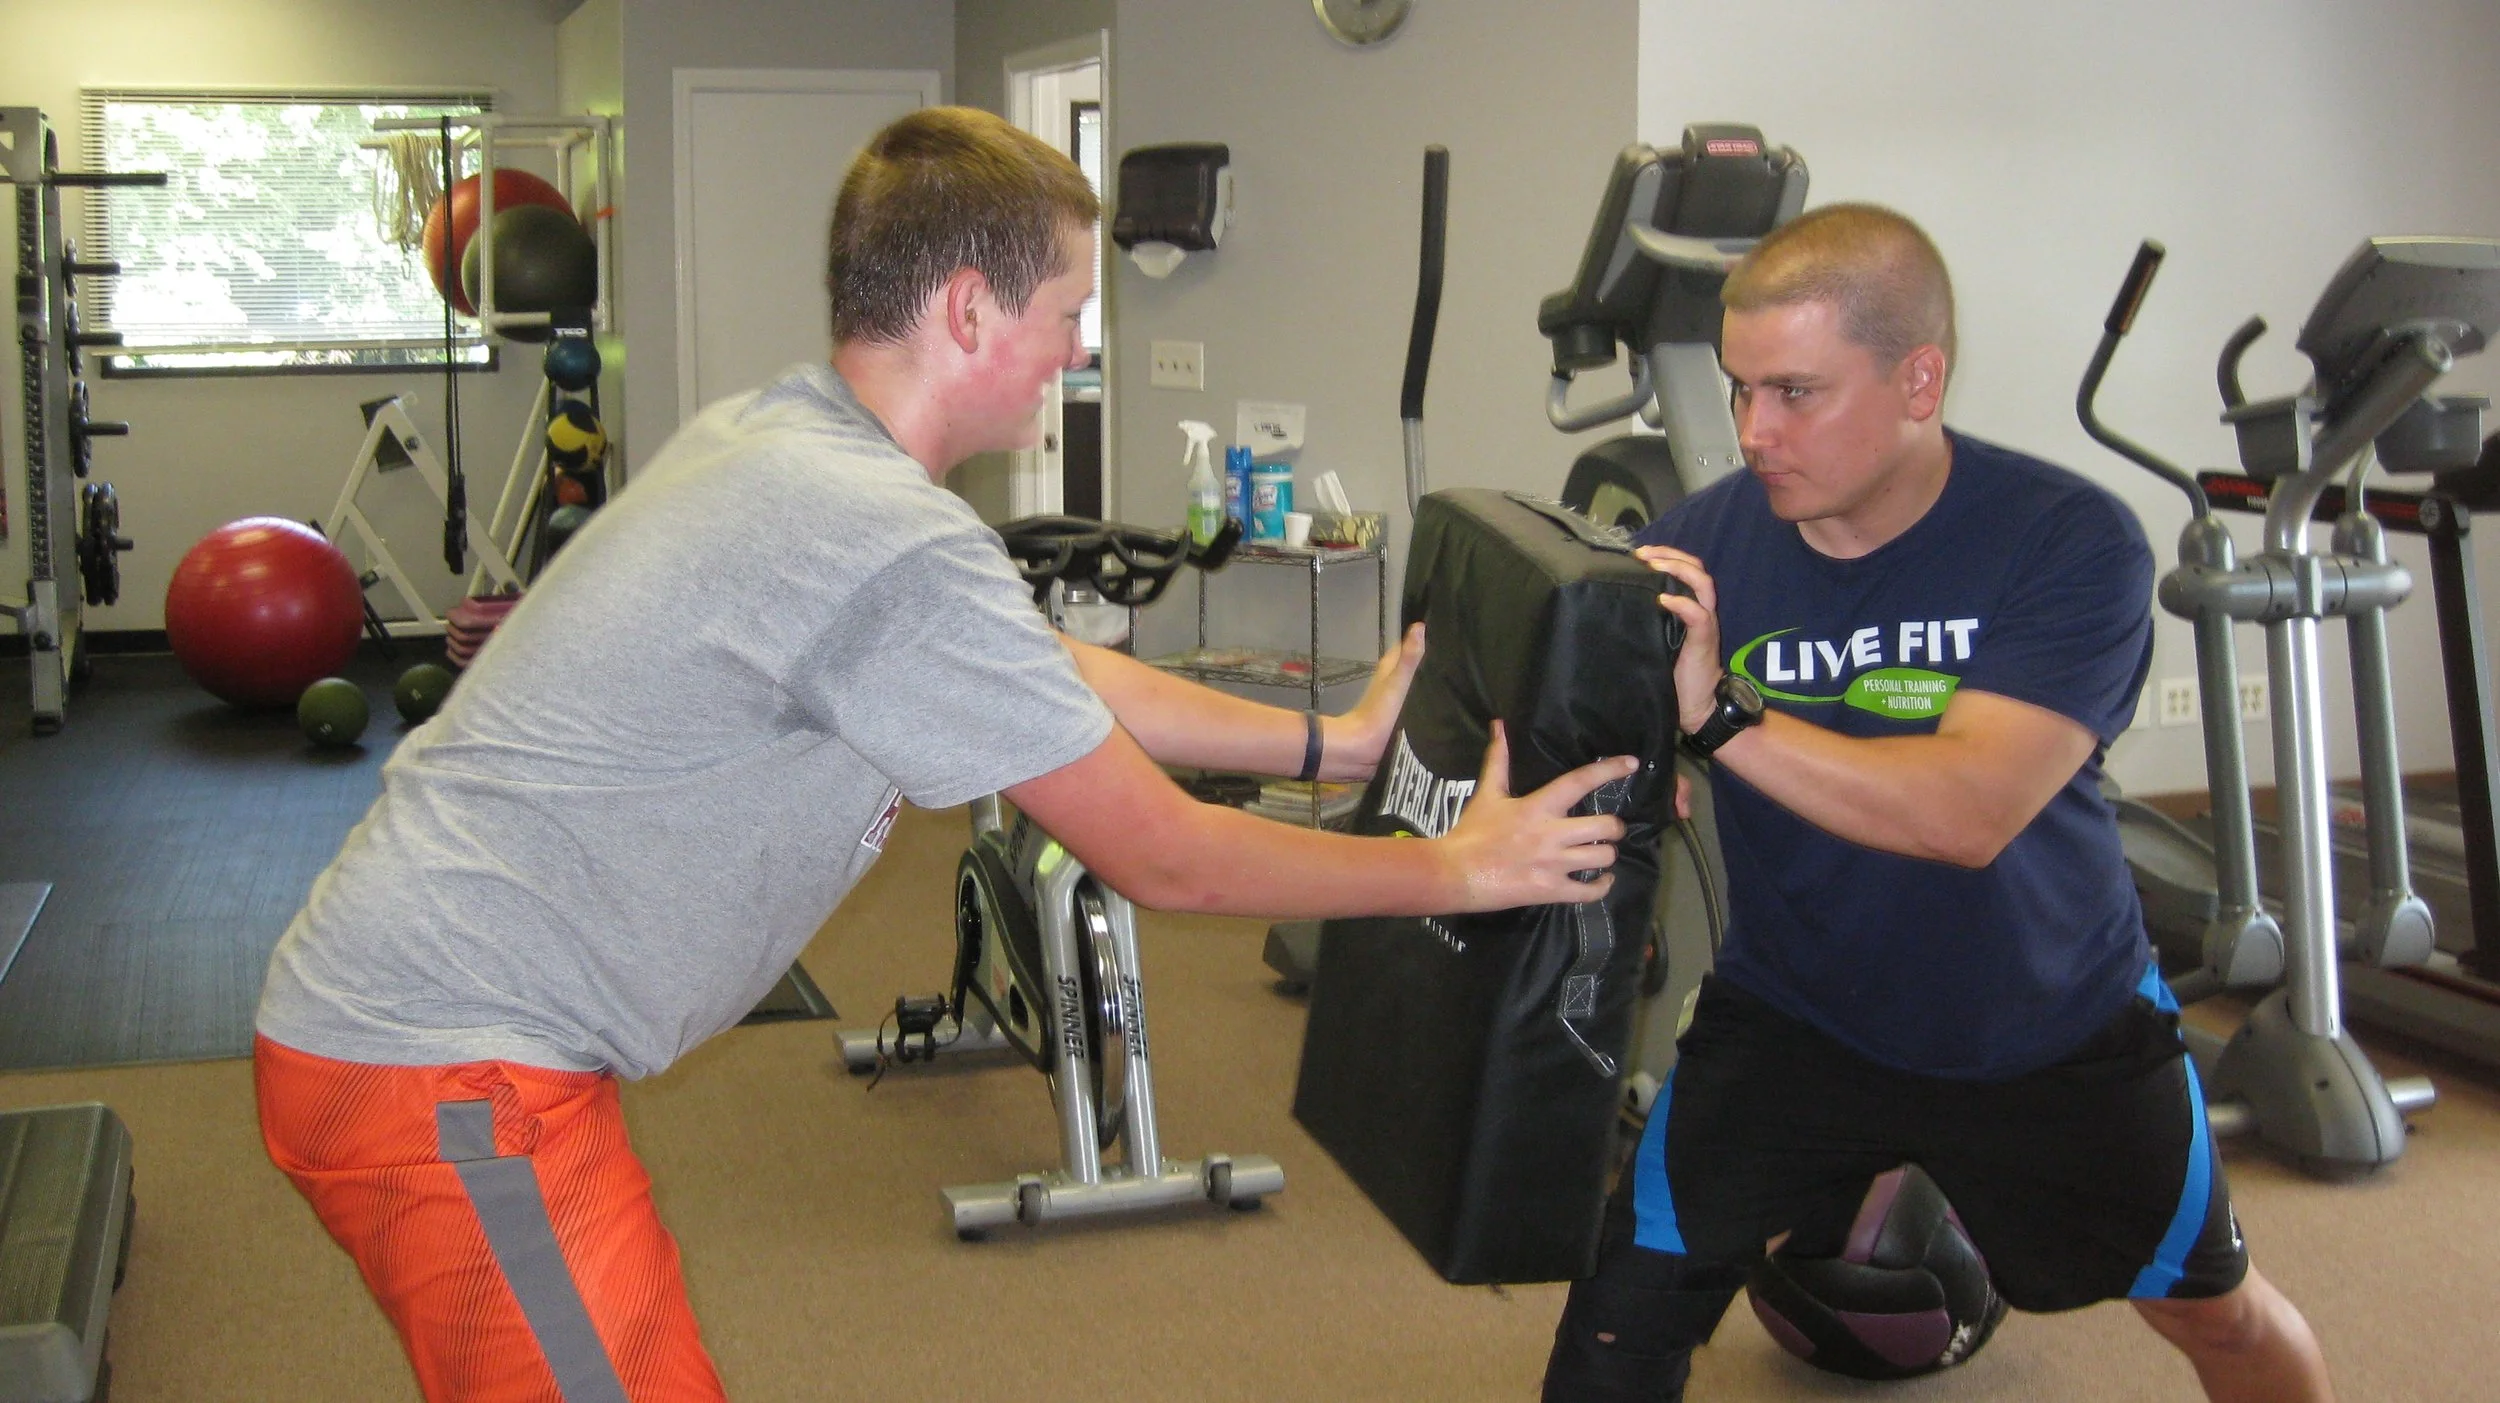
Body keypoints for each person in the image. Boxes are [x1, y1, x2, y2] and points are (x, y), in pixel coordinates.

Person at [255, 105, 1634, 1403]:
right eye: (1068, 313)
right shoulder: (880, 537)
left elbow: (1046, 673)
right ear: (971, 307)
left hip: (434, 1031)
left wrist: (1333, 741)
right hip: (449, 1069)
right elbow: (1170, 856)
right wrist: (1455, 870)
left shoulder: (789, 434)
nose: (1074, 351)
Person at [1540, 204, 2334, 1403]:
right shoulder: (1701, 545)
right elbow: (1605, 749)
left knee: (2217, 1318)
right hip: (1796, 1015)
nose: (1753, 432)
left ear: (1920, 379)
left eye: (1796, 392)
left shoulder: (2066, 541)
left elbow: (1965, 811)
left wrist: (1721, 722)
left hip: (2048, 1022)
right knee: (1618, 1314)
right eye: (1739, 388)